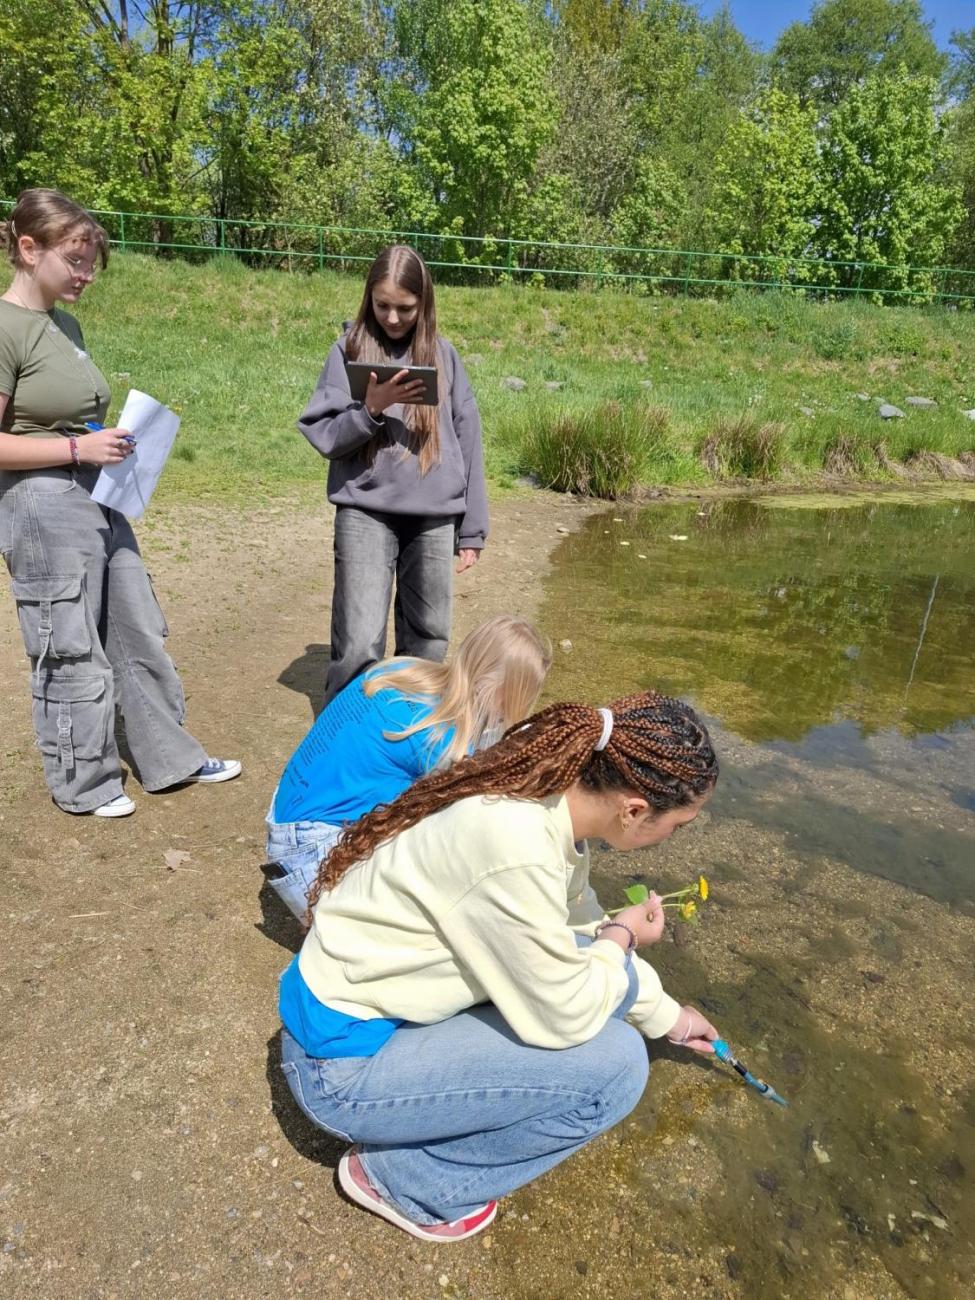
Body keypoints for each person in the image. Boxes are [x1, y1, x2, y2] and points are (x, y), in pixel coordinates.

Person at [278, 689, 721, 1242]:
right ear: (634, 809)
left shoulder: (540, 793)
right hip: (338, 1066)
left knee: (594, 994)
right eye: (677, 825)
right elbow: (564, 1012)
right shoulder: (517, 850)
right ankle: (405, 1181)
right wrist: (622, 934)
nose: (673, 837)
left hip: (349, 1012)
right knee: (616, 1069)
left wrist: (669, 1017)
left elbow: (578, 933)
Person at [0, 188, 240, 817]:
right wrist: (78, 452)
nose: (85, 275)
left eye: (90, 264)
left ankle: (171, 758)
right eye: (74, 260)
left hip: (97, 499)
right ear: (28, 249)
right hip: (40, 506)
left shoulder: (63, 324)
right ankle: (86, 783)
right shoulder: (3, 328)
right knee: (69, 639)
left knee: (138, 625)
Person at [297, 245, 488, 705]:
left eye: (405, 307)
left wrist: (473, 529)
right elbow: (323, 433)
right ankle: (343, 736)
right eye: (382, 305)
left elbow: (469, 435)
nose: (393, 317)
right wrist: (371, 411)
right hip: (365, 512)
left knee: (428, 636)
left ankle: (410, 730)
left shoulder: (445, 355)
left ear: (424, 303)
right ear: (369, 298)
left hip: (434, 517)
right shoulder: (347, 351)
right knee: (360, 639)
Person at [265, 614, 551, 920]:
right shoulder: (438, 742)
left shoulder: (404, 671)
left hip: (289, 818)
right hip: (311, 860)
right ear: (499, 693)